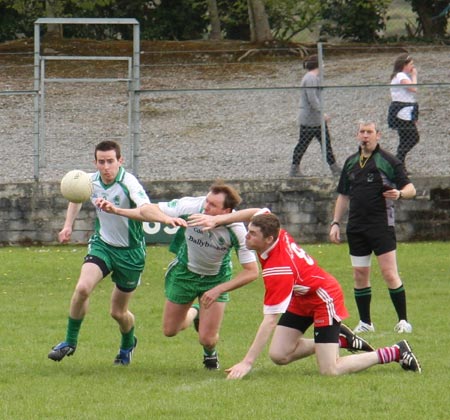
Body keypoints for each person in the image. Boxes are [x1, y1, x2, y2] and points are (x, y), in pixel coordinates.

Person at [188, 210, 421, 379]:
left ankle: (395, 351)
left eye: (252, 234)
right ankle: (340, 339)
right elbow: (254, 212)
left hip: (323, 298)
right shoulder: (272, 228)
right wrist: (219, 219)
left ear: (268, 239)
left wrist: (247, 362)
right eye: (247, 232)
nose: (246, 237)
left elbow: (270, 320)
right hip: (301, 296)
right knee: (279, 355)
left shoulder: (279, 270)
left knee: (330, 370)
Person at [48, 140, 186, 365]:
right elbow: (77, 197)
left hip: (130, 254)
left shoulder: (128, 182)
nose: (106, 167)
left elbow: (145, 209)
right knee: (82, 288)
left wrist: (165, 218)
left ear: (120, 161)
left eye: (110, 161)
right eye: (101, 162)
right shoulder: (90, 181)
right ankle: (69, 341)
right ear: (95, 162)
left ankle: (127, 343)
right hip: (103, 245)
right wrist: (67, 225)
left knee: (118, 313)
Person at [96, 181, 259, 370]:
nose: (206, 207)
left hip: (216, 279)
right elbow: (147, 210)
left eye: (213, 206)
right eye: (207, 201)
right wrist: (118, 211)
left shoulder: (237, 229)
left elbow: (252, 271)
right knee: (170, 331)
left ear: (227, 211)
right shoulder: (192, 207)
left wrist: (218, 290)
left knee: (207, 339)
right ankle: (196, 311)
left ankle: (210, 353)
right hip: (184, 273)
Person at [329, 121, 417, 334]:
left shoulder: (388, 161)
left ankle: (403, 321)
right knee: (360, 274)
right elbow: (343, 195)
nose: (365, 136)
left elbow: (411, 188)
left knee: (389, 272)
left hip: (381, 226)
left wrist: (400, 194)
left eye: (369, 132)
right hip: (356, 227)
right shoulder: (350, 163)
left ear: (378, 135)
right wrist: (335, 223)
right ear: (357, 135)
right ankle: (366, 323)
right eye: (362, 132)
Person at [290, 54, 340, 178]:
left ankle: (335, 168)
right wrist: (322, 112)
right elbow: (312, 98)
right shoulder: (311, 78)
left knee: (325, 143)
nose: (324, 65)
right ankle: (294, 169)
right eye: (322, 63)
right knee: (304, 143)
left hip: (316, 119)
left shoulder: (312, 78)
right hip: (310, 119)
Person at [388, 53, 419, 172]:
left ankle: (399, 166)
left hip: (406, 110)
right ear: (404, 65)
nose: (413, 67)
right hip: (402, 111)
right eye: (411, 64)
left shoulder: (401, 76)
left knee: (405, 139)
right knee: (413, 137)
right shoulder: (400, 75)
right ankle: (397, 161)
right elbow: (413, 88)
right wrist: (414, 75)